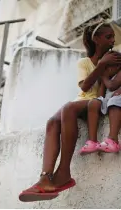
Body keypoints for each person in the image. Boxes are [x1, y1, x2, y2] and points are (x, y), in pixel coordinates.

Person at [19, 21, 121, 202]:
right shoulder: (84, 62)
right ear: (96, 40)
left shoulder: (115, 59)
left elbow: (111, 85)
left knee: (67, 108)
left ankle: (64, 171)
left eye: (113, 37)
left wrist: (106, 64)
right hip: (83, 99)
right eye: (108, 37)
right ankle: (45, 177)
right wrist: (100, 65)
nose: (113, 40)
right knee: (52, 121)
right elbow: (85, 86)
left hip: (97, 102)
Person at [79, 63, 121, 154]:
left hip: (118, 100)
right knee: (93, 103)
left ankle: (113, 140)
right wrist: (103, 81)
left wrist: (105, 77)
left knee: (114, 101)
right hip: (109, 100)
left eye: (107, 67)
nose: (105, 70)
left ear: (117, 66)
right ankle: (92, 141)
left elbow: (112, 86)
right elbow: (100, 96)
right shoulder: (107, 78)